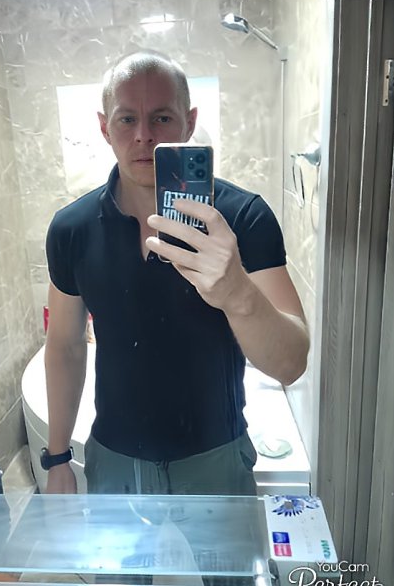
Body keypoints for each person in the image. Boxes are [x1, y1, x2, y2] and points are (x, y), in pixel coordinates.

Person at [44, 50, 309, 496]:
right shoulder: (72, 229)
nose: (143, 135)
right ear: (105, 128)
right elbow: (66, 347)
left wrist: (237, 293)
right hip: (115, 461)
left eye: (162, 118)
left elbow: (291, 364)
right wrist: (56, 458)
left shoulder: (243, 217)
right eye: (127, 119)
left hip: (217, 458)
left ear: (190, 122)